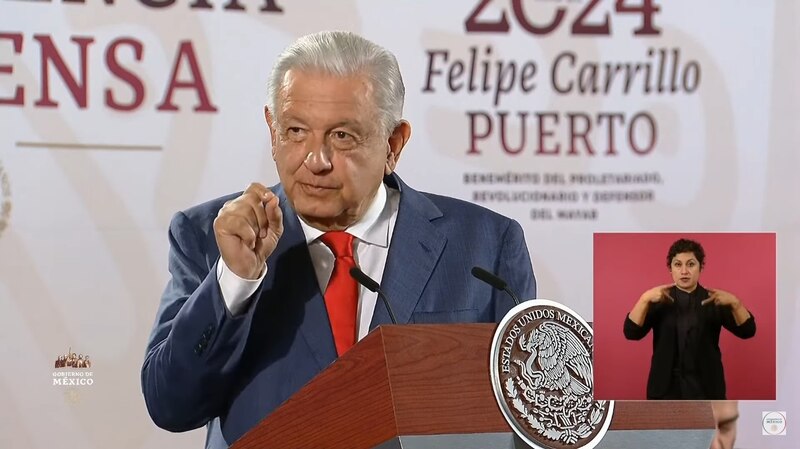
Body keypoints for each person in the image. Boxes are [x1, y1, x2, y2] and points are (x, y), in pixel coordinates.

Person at [141, 30, 536, 448]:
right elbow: (171, 406)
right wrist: (235, 281)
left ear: (393, 144)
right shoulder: (208, 236)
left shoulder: (486, 245)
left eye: (342, 136)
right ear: (272, 131)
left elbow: (530, 413)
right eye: (295, 131)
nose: (316, 161)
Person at [623, 238, 756, 399]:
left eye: (691, 264)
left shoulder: (714, 299)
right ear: (670, 269)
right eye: (678, 264)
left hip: (706, 389)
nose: (684, 271)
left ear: (700, 268)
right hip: (664, 390)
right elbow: (631, 333)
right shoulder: (658, 299)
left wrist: (736, 303)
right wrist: (644, 299)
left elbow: (748, 331)